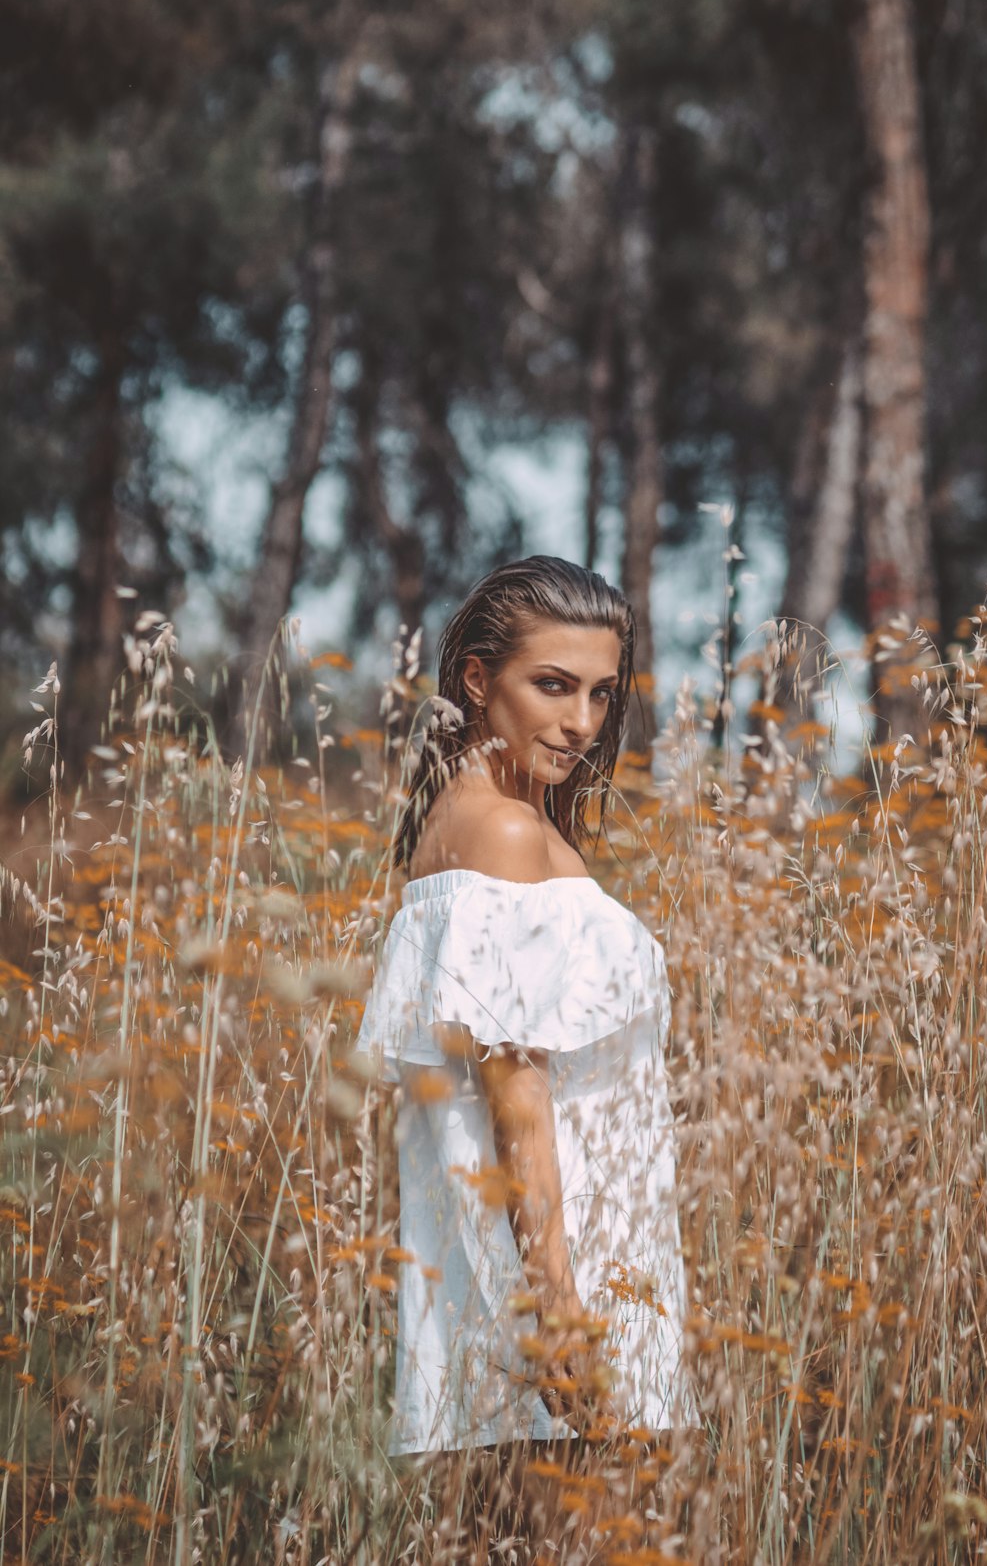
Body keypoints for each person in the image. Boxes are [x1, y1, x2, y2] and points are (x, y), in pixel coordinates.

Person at [359, 556, 699, 1549]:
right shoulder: (503, 833)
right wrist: (557, 1306)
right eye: (552, 685)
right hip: (566, 1265)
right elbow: (517, 1091)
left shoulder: (473, 821)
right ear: (476, 679)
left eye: (601, 692)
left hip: (543, 1258)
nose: (583, 721)